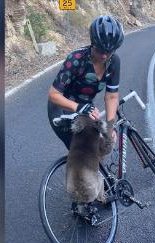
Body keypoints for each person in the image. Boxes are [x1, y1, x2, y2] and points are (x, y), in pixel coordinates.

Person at [47, 15, 124, 149]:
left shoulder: (114, 62)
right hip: (62, 106)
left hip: (85, 107)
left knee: (102, 144)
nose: (104, 56)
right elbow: (53, 95)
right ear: (93, 43)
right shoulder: (76, 59)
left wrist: (110, 126)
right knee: (80, 149)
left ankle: (94, 169)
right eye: (100, 50)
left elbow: (112, 96)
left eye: (109, 51)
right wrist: (78, 107)